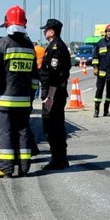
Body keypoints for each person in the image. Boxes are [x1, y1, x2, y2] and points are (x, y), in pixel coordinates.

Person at [0, 4, 37, 179]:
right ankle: (24, 167)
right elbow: (34, 78)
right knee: (23, 132)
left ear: (7, 24)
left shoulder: (2, 44)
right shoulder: (30, 47)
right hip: (23, 100)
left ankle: (5, 168)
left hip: (5, 101)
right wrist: (30, 98)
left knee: (6, 133)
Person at [38, 17, 72, 171]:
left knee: (52, 126)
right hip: (56, 92)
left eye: (46, 29)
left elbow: (54, 74)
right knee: (57, 126)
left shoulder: (56, 48)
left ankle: (57, 159)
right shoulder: (54, 46)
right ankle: (61, 158)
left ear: (52, 31)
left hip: (54, 93)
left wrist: (50, 96)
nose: (44, 32)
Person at [91, 23, 110, 117]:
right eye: (108, 31)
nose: (109, 33)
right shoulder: (100, 43)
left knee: (109, 93)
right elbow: (95, 57)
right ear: (105, 32)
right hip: (101, 72)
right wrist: (95, 67)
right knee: (99, 91)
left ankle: (106, 111)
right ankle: (96, 111)